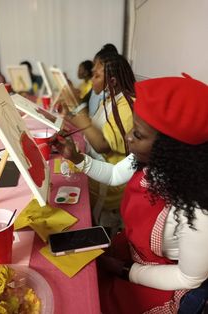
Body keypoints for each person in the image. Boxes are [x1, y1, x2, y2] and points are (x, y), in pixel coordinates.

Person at [52, 74, 208, 313]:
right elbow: (115, 174)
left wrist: (125, 270)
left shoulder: (198, 212)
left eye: (138, 134)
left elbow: (188, 278)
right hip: (131, 252)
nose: (127, 137)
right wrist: (77, 158)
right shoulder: (151, 160)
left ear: (171, 148)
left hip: (160, 279)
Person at [57, 52, 136, 235]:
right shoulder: (110, 101)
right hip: (98, 175)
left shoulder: (125, 108)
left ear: (113, 81)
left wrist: (78, 107)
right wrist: (69, 115)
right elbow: (92, 126)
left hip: (108, 188)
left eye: (97, 75)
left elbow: (101, 145)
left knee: (96, 227)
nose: (92, 80)